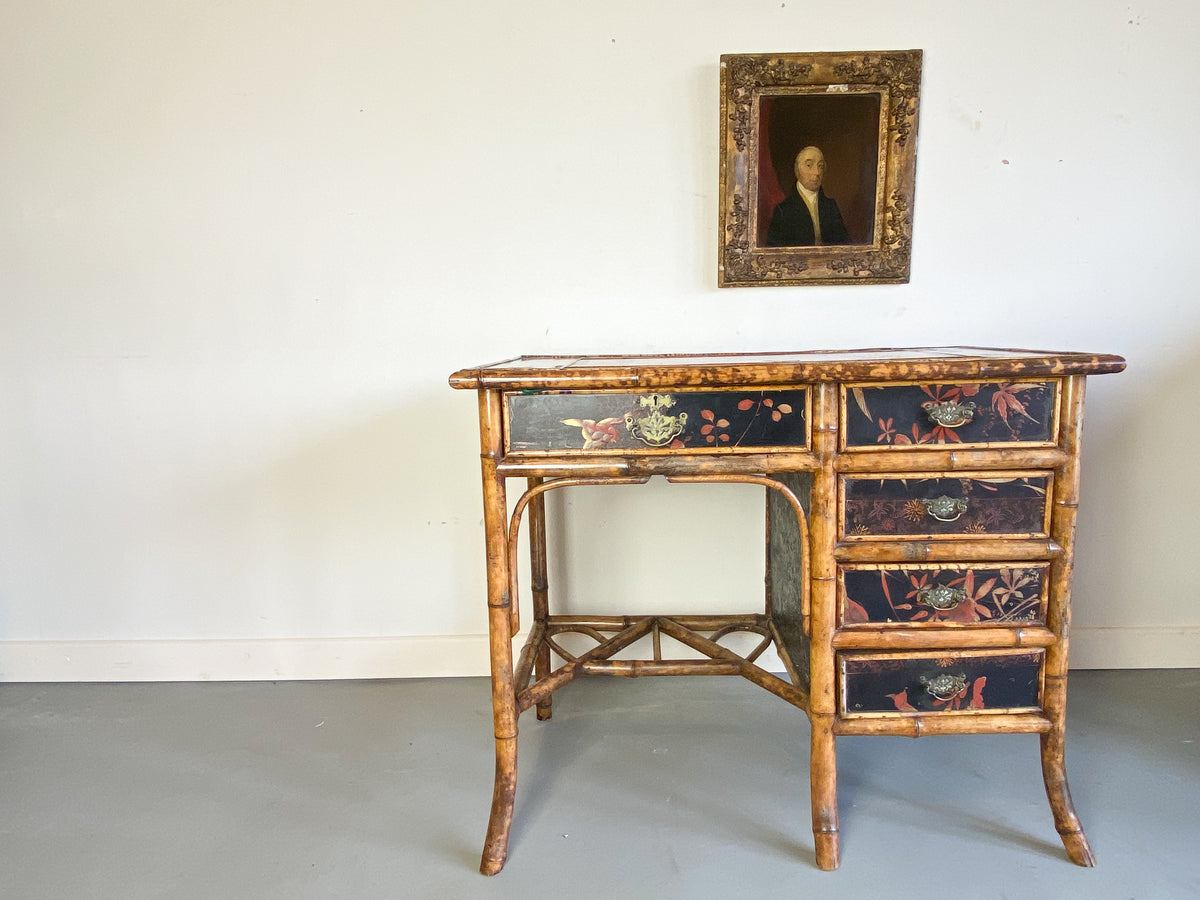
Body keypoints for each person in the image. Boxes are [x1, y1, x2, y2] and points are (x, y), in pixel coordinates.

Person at [765, 146, 851, 246]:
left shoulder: (831, 206)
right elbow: (774, 253)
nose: (817, 172)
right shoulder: (783, 210)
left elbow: (845, 245)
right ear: (797, 171)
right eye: (809, 165)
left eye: (821, 166)